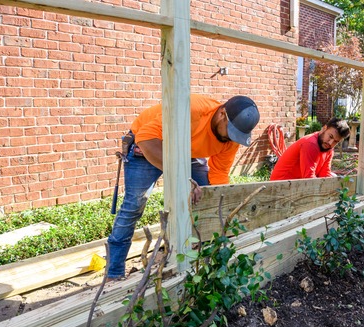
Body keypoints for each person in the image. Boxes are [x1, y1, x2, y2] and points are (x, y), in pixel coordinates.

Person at [107, 94, 260, 280]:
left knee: (205, 196)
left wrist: (222, 209)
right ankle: (113, 274)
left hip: (187, 150)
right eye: (231, 131)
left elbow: (219, 175)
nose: (231, 138)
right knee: (133, 207)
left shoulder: (230, 141)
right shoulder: (193, 111)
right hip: (149, 144)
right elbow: (146, 138)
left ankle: (200, 260)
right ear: (222, 113)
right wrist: (182, 178)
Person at [270, 117, 350, 181]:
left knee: (333, 177)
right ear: (324, 128)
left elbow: (325, 174)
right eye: (330, 136)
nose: (330, 143)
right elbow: (309, 179)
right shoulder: (310, 144)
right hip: (280, 187)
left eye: (335, 141)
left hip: (297, 185)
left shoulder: (328, 149)